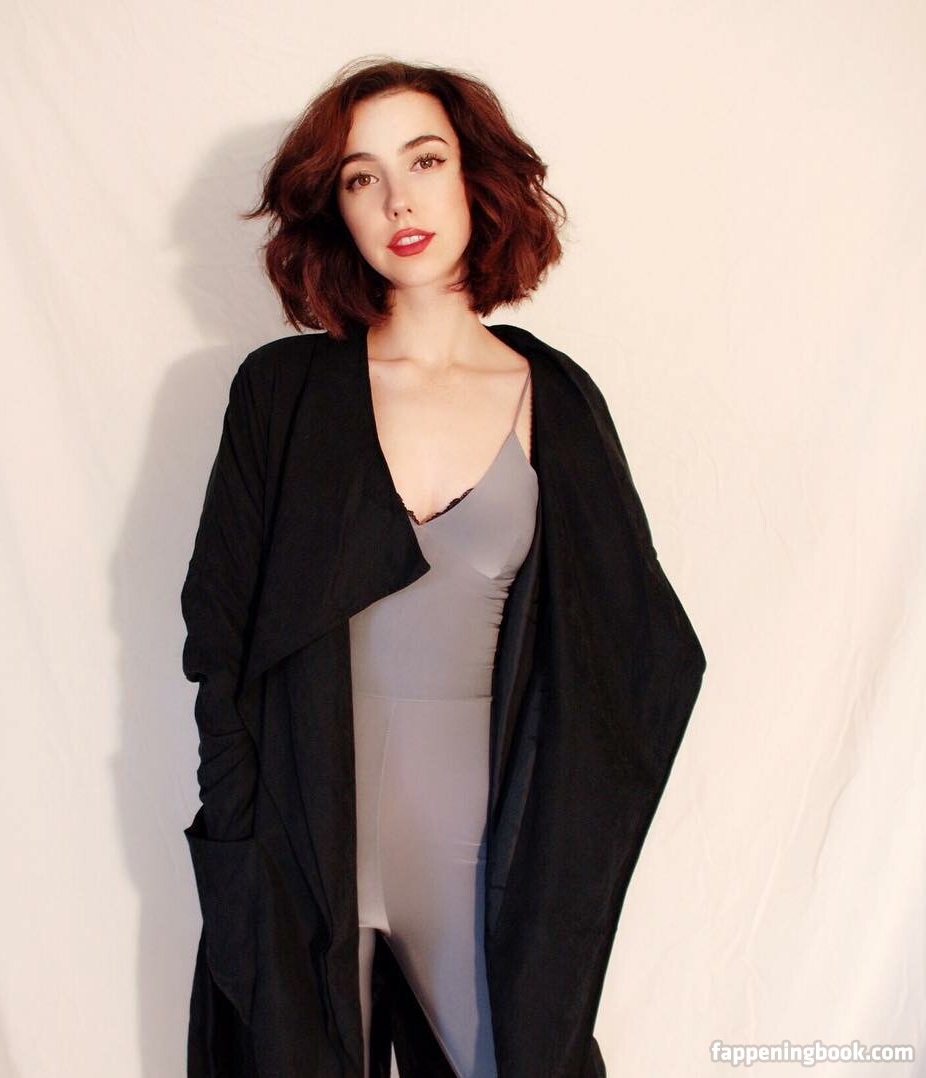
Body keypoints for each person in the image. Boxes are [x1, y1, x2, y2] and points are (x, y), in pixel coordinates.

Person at [180, 57, 706, 1078]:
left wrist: (563, 855)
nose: (399, 200)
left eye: (424, 161)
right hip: (298, 857)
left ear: (477, 178)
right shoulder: (281, 393)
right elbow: (219, 640)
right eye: (361, 176)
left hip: (477, 868)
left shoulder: (553, 398)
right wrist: (239, 839)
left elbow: (632, 654)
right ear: (335, 207)